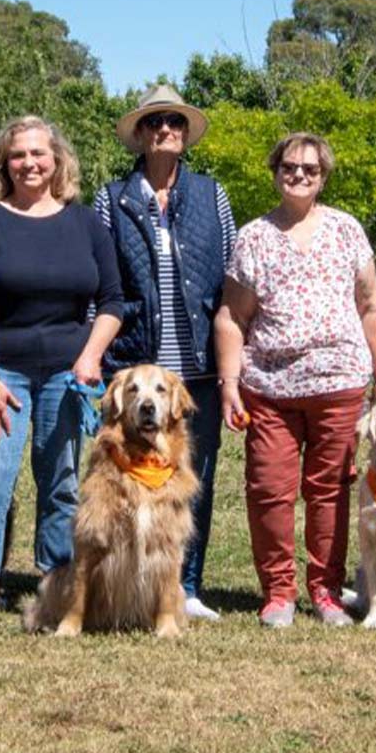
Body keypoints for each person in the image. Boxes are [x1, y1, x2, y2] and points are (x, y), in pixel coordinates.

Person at [0, 116, 122, 635]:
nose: (29, 163)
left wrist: (90, 358)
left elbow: (112, 300)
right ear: (4, 162)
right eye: (18, 155)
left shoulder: (85, 222)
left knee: (62, 482)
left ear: (57, 161)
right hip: (0, 373)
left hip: (68, 374)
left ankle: (55, 588)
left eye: (38, 154)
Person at [215, 132, 376, 628]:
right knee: (268, 489)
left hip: (339, 383)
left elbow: (371, 304)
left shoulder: (345, 230)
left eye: (310, 170)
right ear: (275, 172)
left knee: (332, 489)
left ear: (323, 177)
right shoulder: (253, 236)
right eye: (289, 167)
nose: (298, 175)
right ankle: (278, 592)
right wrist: (229, 382)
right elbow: (233, 316)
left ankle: (325, 591)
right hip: (269, 388)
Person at [95, 84, 236, 622]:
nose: (165, 131)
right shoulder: (113, 199)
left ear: (184, 133)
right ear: (140, 135)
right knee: (124, 473)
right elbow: (101, 282)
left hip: (197, 360)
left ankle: (186, 586)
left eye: (174, 122)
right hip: (135, 359)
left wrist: (229, 366)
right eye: (155, 123)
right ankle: (126, 579)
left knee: (193, 473)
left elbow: (228, 273)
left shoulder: (210, 194)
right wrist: (98, 354)